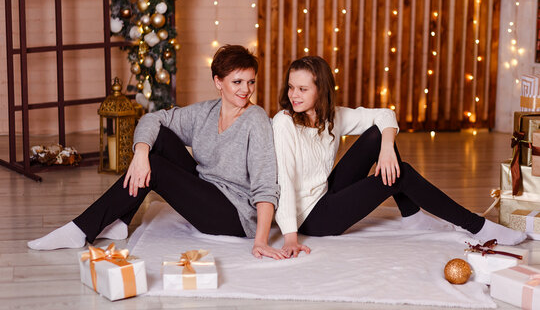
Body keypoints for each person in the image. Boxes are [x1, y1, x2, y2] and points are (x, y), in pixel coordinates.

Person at [28, 45, 286, 260]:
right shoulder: (206, 111)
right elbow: (154, 119)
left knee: (157, 168)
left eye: (250, 82)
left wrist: (260, 240)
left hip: (235, 214)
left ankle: (81, 230)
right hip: (206, 189)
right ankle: (119, 221)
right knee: (157, 139)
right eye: (237, 82)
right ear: (218, 82)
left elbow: (265, 183)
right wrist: (140, 153)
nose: (246, 89)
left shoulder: (256, 119)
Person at [272, 56, 526, 258]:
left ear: (321, 90)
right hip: (312, 219)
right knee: (398, 174)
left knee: (377, 135)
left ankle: (413, 216)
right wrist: (290, 237)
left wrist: (385, 147)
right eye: (292, 87)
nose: (294, 94)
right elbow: (282, 181)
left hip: (325, 194)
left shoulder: (332, 116)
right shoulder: (284, 122)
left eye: (303, 89)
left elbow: (385, 115)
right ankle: (476, 225)